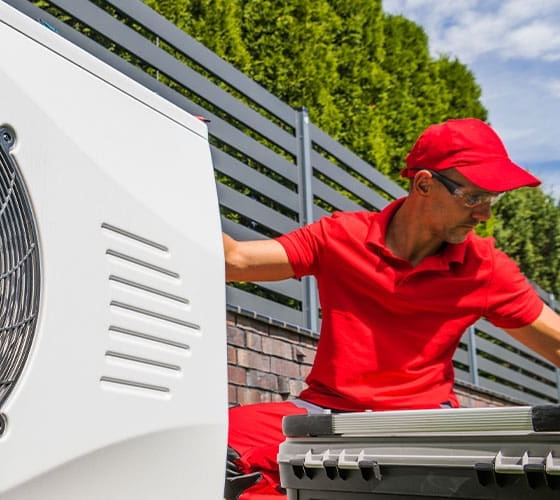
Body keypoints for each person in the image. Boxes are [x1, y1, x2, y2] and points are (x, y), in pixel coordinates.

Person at [222, 118, 560, 500]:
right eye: (473, 197)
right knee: (209, 444)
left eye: (490, 200)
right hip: (325, 413)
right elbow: (235, 260)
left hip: (423, 424)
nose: (483, 214)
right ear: (424, 184)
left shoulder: (485, 269)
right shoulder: (339, 237)